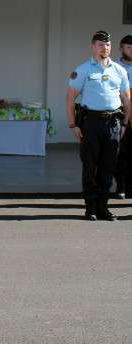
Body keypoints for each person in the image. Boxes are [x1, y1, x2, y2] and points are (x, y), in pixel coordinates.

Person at [66, 30, 131, 221]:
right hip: (90, 123)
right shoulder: (83, 69)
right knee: (90, 166)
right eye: (101, 44)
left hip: (112, 123)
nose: (105, 48)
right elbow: (70, 99)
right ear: (93, 46)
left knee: (108, 166)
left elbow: (126, 99)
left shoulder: (119, 70)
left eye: (108, 45)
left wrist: (125, 123)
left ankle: (103, 206)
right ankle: (91, 208)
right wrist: (72, 125)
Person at [113, 34, 132, 199]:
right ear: (121, 48)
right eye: (129, 47)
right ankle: (121, 185)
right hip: (120, 113)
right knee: (121, 151)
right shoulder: (114, 67)